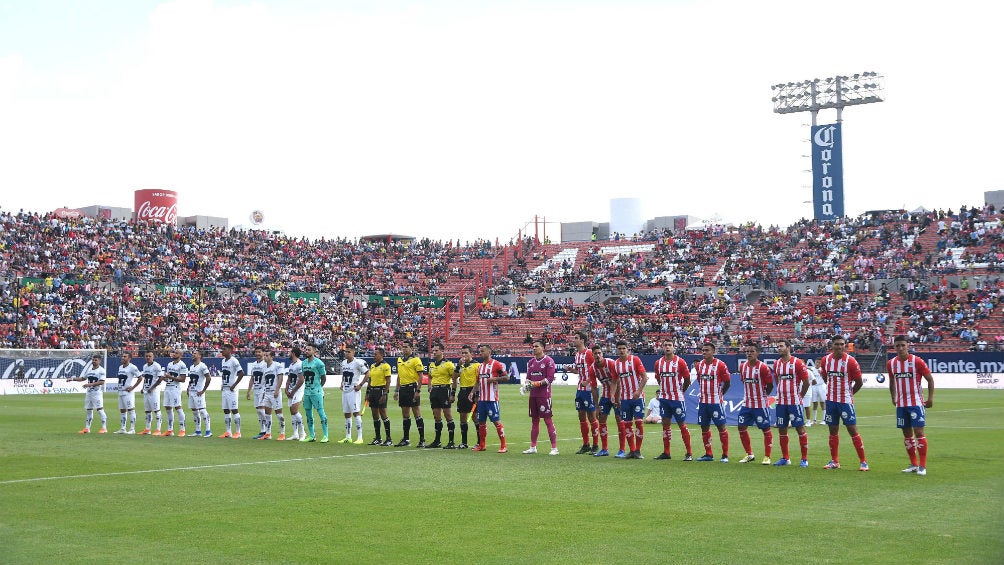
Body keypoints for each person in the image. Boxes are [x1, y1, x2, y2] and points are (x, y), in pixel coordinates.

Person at [886, 335, 934, 476]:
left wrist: (930, 398)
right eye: (897, 346)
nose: (900, 348)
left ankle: (923, 466)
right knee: (907, 434)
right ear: (894, 347)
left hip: (916, 403)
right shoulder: (891, 363)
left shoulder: (916, 361)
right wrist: (893, 396)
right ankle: (913, 464)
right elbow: (891, 381)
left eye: (903, 345)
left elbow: (930, 380)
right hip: (901, 405)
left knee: (919, 433)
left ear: (908, 346)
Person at [820, 335, 869, 471]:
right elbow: (825, 376)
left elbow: (859, 382)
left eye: (842, 344)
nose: (840, 346)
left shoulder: (851, 361)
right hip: (830, 401)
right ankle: (834, 461)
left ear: (845, 345)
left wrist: (850, 394)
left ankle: (863, 462)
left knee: (852, 430)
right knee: (833, 431)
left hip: (845, 401)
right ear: (832, 346)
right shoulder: (826, 360)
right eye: (837, 344)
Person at [771, 339, 810, 467]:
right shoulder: (776, 364)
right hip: (781, 403)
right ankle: (785, 458)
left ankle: (804, 459)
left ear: (788, 348)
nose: (779, 348)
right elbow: (777, 380)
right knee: (782, 429)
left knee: (800, 428)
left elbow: (806, 382)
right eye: (778, 346)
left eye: (781, 346)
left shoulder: (797, 363)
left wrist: (800, 396)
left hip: (794, 402)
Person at [653, 340, 693, 461]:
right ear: (662, 348)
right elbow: (658, 379)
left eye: (670, 345)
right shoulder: (658, 363)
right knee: (665, 425)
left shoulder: (680, 362)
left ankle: (689, 453)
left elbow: (687, 379)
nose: (667, 347)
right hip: (664, 399)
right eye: (665, 345)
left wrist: (682, 391)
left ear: (674, 347)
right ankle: (666, 452)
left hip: (677, 399)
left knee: (682, 424)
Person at [693, 341, 731, 462]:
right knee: (704, 427)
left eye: (707, 350)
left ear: (713, 352)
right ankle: (708, 454)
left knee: (721, 427)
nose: (704, 352)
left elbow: (727, 382)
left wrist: (720, 394)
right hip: (703, 402)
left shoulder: (720, 365)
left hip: (716, 402)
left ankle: (725, 455)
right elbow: (699, 380)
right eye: (703, 350)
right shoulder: (699, 365)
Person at [736, 342, 774, 465]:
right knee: (741, 427)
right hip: (746, 403)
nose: (749, 353)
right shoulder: (742, 367)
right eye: (747, 351)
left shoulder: (763, 367)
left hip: (760, 405)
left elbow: (770, 385)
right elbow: (743, 381)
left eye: (752, 351)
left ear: (757, 353)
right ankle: (749, 454)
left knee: (765, 429)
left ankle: (767, 456)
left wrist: (763, 396)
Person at [522, 340, 559, 455]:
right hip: (533, 396)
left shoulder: (549, 361)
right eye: (533, 346)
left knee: (548, 420)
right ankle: (533, 447)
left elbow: (549, 379)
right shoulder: (531, 362)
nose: (534, 348)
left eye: (536, 346)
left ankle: (554, 448)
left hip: (544, 396)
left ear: (542, 348)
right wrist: (526, 387)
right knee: (534, 421)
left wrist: (535, 384)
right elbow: (528, 378)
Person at [612, 341, 647, 459]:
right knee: (626, 424)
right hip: (625, 399)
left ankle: (638, 450)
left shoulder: (635, 360)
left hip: (637, 398)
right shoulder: (616, 364)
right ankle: (632, 450)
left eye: (624, 348)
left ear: (628, 349)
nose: (622, 350)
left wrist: (638, 391)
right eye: (619, 348)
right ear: (616, 350)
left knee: (638, 422)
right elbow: (614, 381)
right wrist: (613, 395)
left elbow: (644, 377)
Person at [470, 344, 508, 453]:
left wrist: (494, 379)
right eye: (479, 351)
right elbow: (478, 382)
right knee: (481, 422)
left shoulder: (496, 364)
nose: (480, 353)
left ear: (489, 352)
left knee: (496, 422)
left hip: (492, 399)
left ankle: (503, 446)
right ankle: (482, 445)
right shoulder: (480, 366)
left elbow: (506, 377)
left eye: (482, 351)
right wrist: (472, 393)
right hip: (482, 400)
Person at [567, 331, 599, 454]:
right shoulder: (577, 355)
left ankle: (595, 444)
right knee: (581, 416)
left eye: (576, 338)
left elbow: (596, 369)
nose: (573, 340)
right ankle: (586, 444)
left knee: (592, 417)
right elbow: (578, 371)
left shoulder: (589, 353)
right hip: (580, 390)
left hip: (590, 390)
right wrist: (571, 370)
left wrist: (588, 381)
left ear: (582, 340)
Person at [393, 340, 427, 447]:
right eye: (403, 347)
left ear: (411, 348)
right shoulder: (399, 360)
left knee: (417, 413)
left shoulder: (416, 360)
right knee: (405, 415)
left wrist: (418, 390)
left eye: (406, 347)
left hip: (412, 387)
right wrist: (396, 390)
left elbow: (421, 376)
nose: (404, 349)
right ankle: (406, 439)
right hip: (403, 389)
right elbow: (399, 376)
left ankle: (422, 440)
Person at [425, 343, 456, 448]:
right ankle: (437, 441)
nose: (434, 352)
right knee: (436, 416)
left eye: (436, 350)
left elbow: (454, 378)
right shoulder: (432, 364)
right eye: (433, 350)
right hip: (434, 391)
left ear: (442, 351)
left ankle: (451, 442)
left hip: (444, 389)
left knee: (448, 415)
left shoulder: (448, 364)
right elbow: (429, 376)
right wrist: (429, 386)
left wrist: (452, 393)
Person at [590, 344, 619, 457]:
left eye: (599, 353)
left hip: (617, 394)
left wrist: (617, 397)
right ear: (592, 355)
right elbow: (593, 387)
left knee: (619, 419)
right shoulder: (592, 368)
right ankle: (604, 449)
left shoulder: (611, 363)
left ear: (602, 354)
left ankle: (621, 450)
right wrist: (596, 406)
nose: (597, 355)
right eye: (595, 354)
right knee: (601, 419)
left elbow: (618, 381)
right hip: (605, 394)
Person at [67, 354, 107, 434]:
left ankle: (104, 428)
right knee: (89, 410)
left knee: (100, 410)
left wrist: (89, 385)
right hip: (89, 393)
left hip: (97, 393)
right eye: (93, 360)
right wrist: (72, 379)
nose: (94, 361)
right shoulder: (89, 370)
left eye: (96, 360)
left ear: (99, 361)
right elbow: (83, 378)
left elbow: (102, 382)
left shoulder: (101, 370)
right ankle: (87, 428)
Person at [361, 347, 393, 446]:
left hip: (381, 391)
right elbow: (370, 380)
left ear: (381, 355)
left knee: (383, 414)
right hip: (373, 392)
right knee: (375, 415)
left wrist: (385, 393)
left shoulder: (386, 366)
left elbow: (388, 381)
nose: (373, 356)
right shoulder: (372, 366)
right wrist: (367, 393)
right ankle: (378, 438)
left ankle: (389, 439)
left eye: (375, 354)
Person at [340, 345, 369, 444]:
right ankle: (348, 437)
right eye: (345, 351)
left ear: (353, 352)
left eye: (348, 352)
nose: (346, 353)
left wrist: (360, 385)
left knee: (356, 412)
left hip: (354, 391)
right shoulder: (343, 363)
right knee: (347, 414)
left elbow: (367, 373)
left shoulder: (358, 363)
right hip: (345, 390)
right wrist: (341, 383)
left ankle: (360, 437)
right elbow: (344, 374)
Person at [300, 345, 329, 442]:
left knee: (321, 412)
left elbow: (323, 378)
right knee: (308, 414)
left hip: (316, 392)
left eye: (309, 350)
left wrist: (318, 388)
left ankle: (325, 435)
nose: (306, 351)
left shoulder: (319, 363)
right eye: (306, 349)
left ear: (314, 351)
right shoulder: (303, 363)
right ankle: (312, 435)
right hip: (307, 391)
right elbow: (304, 376)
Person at [453, 345, 479, 449]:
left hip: (473, 392)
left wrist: (477, 394)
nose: (464, 355)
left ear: (471, 354)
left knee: (475, 417)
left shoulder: (477, 365)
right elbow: (453, 378)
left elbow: (480, 381)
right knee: (462, 417)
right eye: (462, 353)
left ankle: (480, 442)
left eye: (466, 353)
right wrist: (458, 366)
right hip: (463, 392)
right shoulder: (461, 366)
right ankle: (464, 442)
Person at [218, 343, 245, 439]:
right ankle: (228, 432)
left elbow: (241, 373)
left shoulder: (234, 361)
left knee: (234, 410)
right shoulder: (223, 361)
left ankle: (238, 432)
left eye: (224, 349)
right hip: (225, 388)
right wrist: (222, 384)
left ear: (229, 350)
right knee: (226, 410)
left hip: (231, 389)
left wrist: (234, 385)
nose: (222, 351)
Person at [162, 349, 188, 437]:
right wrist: (165, 378)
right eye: (174, 352)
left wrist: (171, 377)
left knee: (178, 407)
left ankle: (182, 430)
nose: (174, 354)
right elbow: (169, 377)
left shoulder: (182, 365)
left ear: (181, 355)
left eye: (176, 353)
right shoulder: (169, 364)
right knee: (168, 408)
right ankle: (170, 430)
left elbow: (183, 379)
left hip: (175, 389)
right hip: (168, 387)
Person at [113, 351, 142, 434]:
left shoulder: (132, 367)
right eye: (122, 356)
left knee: (131, 410)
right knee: (122, 410)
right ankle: (123, 428)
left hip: (128, 393)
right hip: (120, 392)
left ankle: (132, 429)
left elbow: (140, 377)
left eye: (125, 356)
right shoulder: (120, 367)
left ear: (129, 358)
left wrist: (133, 387)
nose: (122, 358)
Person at [261, 349, 286, 440]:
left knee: (279, 413)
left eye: (267, 355)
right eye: (265, 355)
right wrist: (264, 392)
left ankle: (282, 433)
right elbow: (265, 381)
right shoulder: (264, 367)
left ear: (272, 357)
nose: (265, 357)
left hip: (275, 393)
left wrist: (277, 390)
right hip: (267, 393)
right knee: (267, 414)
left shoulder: (277, 365)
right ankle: (268, 433)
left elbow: (280, 378)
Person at [186, 350, 212, 437]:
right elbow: (191, 379)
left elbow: (208, 378)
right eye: (193, 353)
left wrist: (203, 390)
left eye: (195, 353)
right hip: (192, 391)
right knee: (194, 411)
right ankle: (198, 431)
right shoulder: (192, 367)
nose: (193, 355)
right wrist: (188, 388)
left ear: (200, 356)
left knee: (202, 410)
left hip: (199, 392)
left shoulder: (202, 366)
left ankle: (208, 431)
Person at [245, 347, 268, 439]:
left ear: (263, 353)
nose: (257, 353)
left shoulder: (265, 364)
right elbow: (252, 378)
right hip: (256, 389)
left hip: (263, 389)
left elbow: (267, 378)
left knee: (261, 410)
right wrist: (248, 391)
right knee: (258, 411)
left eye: (259, 352)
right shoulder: (254, 364)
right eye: (256, 352)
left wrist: (266, 390)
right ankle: (262, 431)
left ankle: (267, 431)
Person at [140, 351, 164, 436]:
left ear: (153, 357)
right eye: (146, 356)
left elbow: (161, 378)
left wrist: (152, 388)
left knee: (156, 410)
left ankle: (158, 429)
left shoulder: (156, 366)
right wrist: (143, 388)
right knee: (147, 411)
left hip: (154, 391)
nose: (148, 357)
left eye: (149, 356)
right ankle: (147, 429)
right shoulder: (145, 366)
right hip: (146, 391)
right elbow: (145, 379)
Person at [284, 347, 306, 441]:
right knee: (292, 412)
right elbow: (289, 378)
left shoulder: (299, 364)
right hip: (291, 390)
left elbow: (301, 380)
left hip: (298, 390)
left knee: (294, 410)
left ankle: (303, 432)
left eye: (290, 352)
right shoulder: (291, 365)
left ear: (293, 353)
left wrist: (293, 391)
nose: (289, 354)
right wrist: (286, 388)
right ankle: (295, 434)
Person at [807, 357, 826, 425]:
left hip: (821, 386)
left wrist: (822, 373)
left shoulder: (823, 370)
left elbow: (827, 378)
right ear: (815, 362)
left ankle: (824, 419)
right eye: (817, 362)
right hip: (814, 387)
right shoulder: (812, 369)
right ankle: (814, 420)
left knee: (822, 402)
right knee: (814, 403)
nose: (818, 364)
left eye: (819, 363)